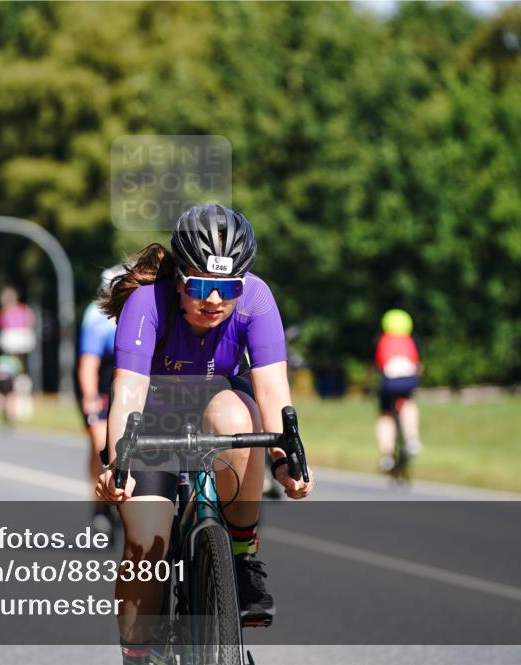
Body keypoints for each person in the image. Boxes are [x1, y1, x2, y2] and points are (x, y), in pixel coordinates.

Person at [94, 203, 315, 663]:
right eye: (199, 286)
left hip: (218, 406)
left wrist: (284, 461)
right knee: (145, 543)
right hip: (153, 419)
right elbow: (129, 393)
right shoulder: (147, 304)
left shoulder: (256, 299)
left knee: (239, 417)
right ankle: (138, 656)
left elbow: (272, 390)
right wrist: (120, 465)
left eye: (227, 287)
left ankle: (240, 552)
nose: (214, 300)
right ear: (178, 278)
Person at [76, 264, 127, 539]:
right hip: (100, 384)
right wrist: (90, 398)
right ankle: (99, 507)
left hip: (128, 383)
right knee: (101, 444)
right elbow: (88, 364)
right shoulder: (97, 316)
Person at [374, 308, 423, 471]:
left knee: (385, 416)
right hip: (409, 381)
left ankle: (386, 456)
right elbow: (418, 365)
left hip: (389, 382)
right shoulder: (411, 340)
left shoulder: (382, 340)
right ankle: (412, 439)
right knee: (408, 404)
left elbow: (378, 366)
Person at [0, 353, 24, 425]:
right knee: (10, 397)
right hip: (9, 381)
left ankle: (4, 410)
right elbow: (18, 369)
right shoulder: (13, 360)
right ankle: (10, 414)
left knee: (2, 397)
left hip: (1, 382)